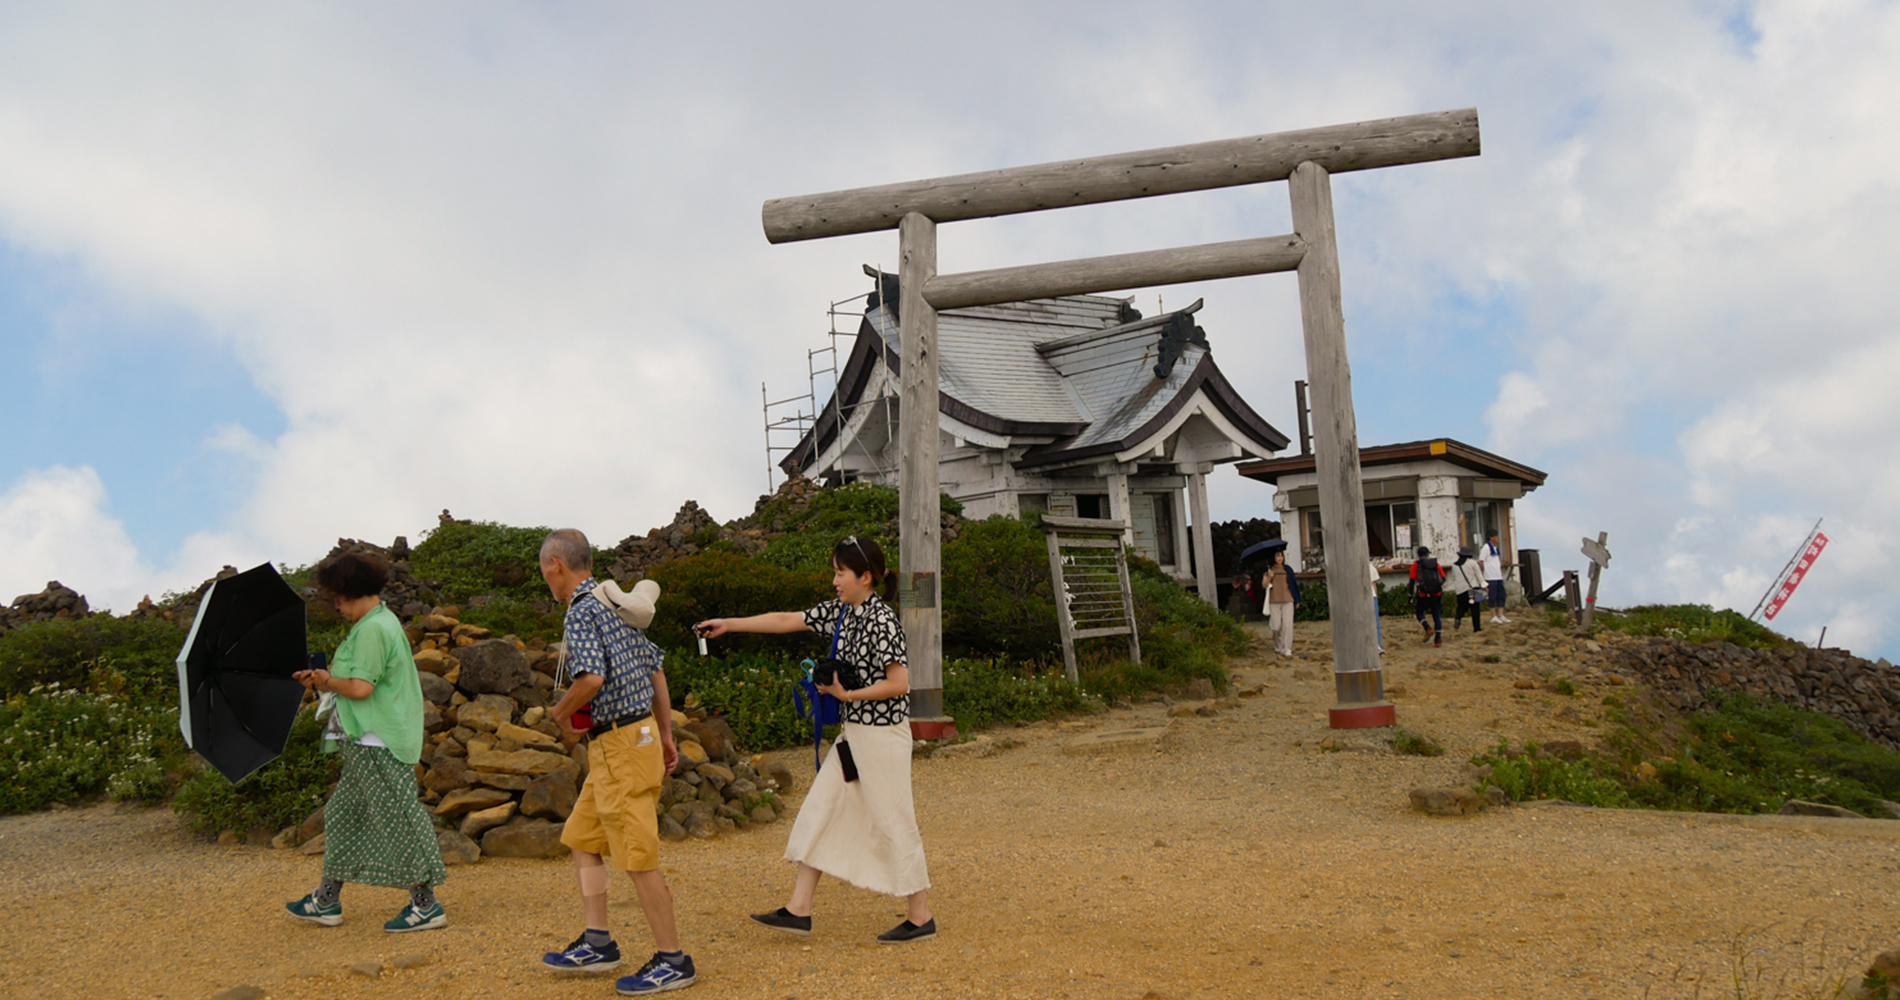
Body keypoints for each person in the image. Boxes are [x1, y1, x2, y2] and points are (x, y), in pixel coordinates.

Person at [697, 534, 935, 944]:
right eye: (834, 572)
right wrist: (730, 624)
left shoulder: (883, 621)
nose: (835, 581)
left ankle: (921, 916)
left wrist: (848, 695)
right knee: (819, 810)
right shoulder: (843, 612)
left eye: (840, 573)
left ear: (865, 576)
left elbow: (900, 684)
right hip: (853, 735)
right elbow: (786, 619)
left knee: (894, 821)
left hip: (883, 737)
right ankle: (798, 909)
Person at [536, 528, 696, 995]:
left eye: (544, 570)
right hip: (632, 737)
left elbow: (590, 678)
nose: (545, 578)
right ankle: (598, 941)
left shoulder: (582, 612)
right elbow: (656, 669)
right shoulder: (618, 605)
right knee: (582, 837)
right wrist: (665, 734)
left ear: (555, 566)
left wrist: (559, 714)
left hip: (621, 745)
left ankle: (674, 960)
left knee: (638, 857)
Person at [286, 552, 447, 933]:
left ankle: (426, 904)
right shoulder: (378, 623)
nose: (336, 604)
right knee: (344, 815)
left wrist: (326, 682)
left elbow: (360, 687)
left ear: (347, 590)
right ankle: (326, 900)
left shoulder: (373, 629)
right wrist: (323, 679)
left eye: (336, 596)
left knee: (398, 818)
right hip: (366, 741)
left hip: (377, 741)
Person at [1263, 548, 1300, 658]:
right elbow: (1264, 585)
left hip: (1288, 600)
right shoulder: (1269, 570)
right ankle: (1278, 645)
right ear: (1273, 558)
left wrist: (1297, 600)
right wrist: (1270, 576)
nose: (1279, 558)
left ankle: (1287, 648)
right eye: (1277, 556)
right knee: (1276, 626)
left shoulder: (1287, 570)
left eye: (1281, 556)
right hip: (1274, 601)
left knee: (1287, 625)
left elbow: (1294, 585)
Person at [1409, 546, 1446, 647]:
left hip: (1423, 594)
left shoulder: (1416, 565)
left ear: (1418, 555)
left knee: (1419, 612)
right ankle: (1438, 640)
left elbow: (1412, 581)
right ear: (1428, 554)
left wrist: (1410, 595)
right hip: (1436, 594)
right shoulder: (1435, 564)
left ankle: (1427, 628)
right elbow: (1443, 578)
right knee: (1436, 615)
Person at [1448, 546, 1485, 633]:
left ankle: (1458, 618)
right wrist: (1484, 586)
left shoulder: (1454, 565)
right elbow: (1479, 576)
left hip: (1460, 590)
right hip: (1471, 589)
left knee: (1461, 607)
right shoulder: (1472, 563)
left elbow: (1454, 578)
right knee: (1475, 609)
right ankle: (1476, 628)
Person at [1480, 531, 1510, 624]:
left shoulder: (1495, 548)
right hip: (1490, 577)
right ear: (1491, 537)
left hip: (1498, 576)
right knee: (1492, 596)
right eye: (1496, 536)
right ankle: (1493, 616)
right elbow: (1481, 561)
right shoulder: (1485, 548)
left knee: (1502, 595)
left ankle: (1500, 614)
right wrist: (1485, 572)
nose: (1498, 538)